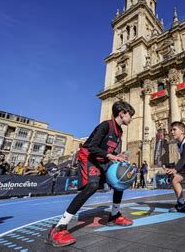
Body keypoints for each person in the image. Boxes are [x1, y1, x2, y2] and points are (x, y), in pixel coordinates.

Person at [47, 100, 135, 247]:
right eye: (130, 115)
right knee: (92, 186)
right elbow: (93, 147)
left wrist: (119, 155)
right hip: (88, 157)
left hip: (101, 159)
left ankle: (114, 215)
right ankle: (58, 228)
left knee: (120, 182)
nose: (131, 118)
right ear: (122, 113)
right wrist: (112, 156)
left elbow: (109, 150)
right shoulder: (105, 125)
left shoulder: (119, 131)